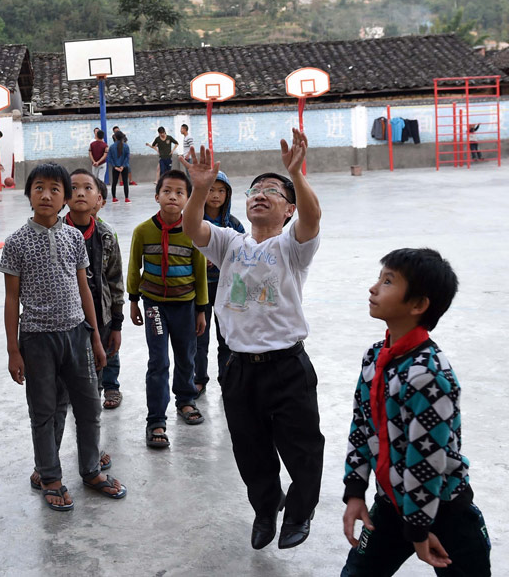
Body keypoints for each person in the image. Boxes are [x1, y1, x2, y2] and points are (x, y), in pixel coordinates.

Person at [180, 129, 324, 551]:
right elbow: (191, 226)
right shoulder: (229, 242)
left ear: (288, 209)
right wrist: (201, 188)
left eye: (271, 191)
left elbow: (313, 218)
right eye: (254, 191)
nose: (259, 195)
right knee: (250, 449)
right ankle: (266, 507)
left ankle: (299, 511)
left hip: (287, 366)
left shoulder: (292, 246)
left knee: (302, 449)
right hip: (238, 366)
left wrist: (296, 174)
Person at [340, 248, 490, 575]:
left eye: (388, 281)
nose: (374, 288)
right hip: (390, 507)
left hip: (445, 514)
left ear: (418, 305)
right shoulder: (374, 357)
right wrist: (355, 490)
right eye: (379, 278)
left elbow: (427, 460)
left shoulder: (429, 376)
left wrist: (419, 530)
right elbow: (362, 427)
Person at [1, 163, 125, 512]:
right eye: (39, 188)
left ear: (65, 199)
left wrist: (96, 340)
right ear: (28, 195)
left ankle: (89, 469)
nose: (46, 195)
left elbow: (85, 288)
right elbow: (12, 299)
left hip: (78, 336)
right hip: (37, 340)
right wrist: (13, 350)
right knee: (44, 411)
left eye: (56, 189)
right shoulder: (16, 243)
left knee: (88, 406)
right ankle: (51, 476)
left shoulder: (74, 238)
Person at [128, 169, 208, 447]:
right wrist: (133, 300)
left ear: (188, 199)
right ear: (156, 196)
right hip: (154, 307)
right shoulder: (143, 231)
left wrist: (201, 309)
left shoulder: (193, 232)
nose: (172, 197)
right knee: (158, 361)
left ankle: (185, 400)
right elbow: (133, 267)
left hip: (185, 306)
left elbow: (200, 273)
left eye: (179, 193)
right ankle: (156, 420)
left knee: (187, 356)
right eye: (167, 191)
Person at [68, 169, 125, 411]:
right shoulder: (58, 233)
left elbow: (115, 280)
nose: (80, 193)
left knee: (103, 360)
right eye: (73, 188)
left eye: (88, 188)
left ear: (99, 198)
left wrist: (117, 323)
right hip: (69, 320)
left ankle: (108, 387)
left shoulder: (106, 235)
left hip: (102, 316)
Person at [195, 171, 245, 393]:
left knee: (226, 335)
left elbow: (245, 255)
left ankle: (227, 377)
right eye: (210, 190)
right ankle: (198, 378)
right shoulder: (194, 223)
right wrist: (199, 260)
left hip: (227, 288)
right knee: (198, 336)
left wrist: (221, 260)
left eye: (221, 190)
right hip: (199, 288)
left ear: (228, 194)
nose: (216, 195)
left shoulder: (234, 225)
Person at [107, 132, 131, 203]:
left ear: (115, 137)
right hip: (124, 167)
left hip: (115, 167)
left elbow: (109, 158)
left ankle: (114, 198)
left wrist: (115, 166)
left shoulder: (111, 147)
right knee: (125, 182)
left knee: (114, 183)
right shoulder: (126, 146)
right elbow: (127, 157)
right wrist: (123, 166)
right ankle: (126, 198)